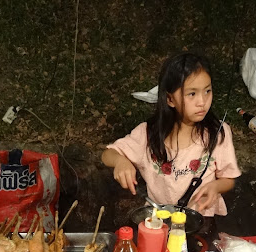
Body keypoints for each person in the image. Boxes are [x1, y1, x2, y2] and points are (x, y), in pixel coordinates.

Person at [101, 52, 241, 218]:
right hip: (158, 222)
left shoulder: (217, 132)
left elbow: (228, 178)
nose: (202, 102)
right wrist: (120, 161)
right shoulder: (148, 134)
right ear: (170, 99)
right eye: (192, 94)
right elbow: (107, 154)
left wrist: (216, 187)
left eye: (207, 91)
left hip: (202, 221)